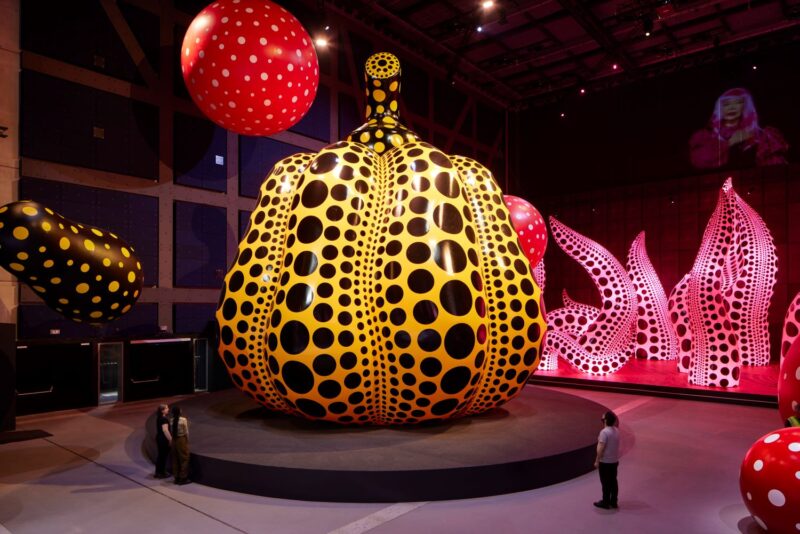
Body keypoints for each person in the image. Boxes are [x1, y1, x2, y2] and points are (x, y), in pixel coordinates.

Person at [689, 87, 788, 170]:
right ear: (720, 108)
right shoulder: (706, 136)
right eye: (726, 104)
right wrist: (730, 142)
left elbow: (776, 169)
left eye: (737, 103)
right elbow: (698, 161)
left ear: (745, 106)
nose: (732, 108)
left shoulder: (762, 135)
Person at [594, 410, 620, 510]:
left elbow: (601, 448)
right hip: (614, 461)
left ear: (605, 421)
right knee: (613, 481)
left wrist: (597, 461)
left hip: (605, 462)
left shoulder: (604, 433)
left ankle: (605, 502)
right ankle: (613, 501)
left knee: (605, 482)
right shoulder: (616, 430)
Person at [171, 406, 191, 485]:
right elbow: (186, 432)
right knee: (184, 458)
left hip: (174, 440)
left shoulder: (171, 420)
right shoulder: (183, 420)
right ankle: (183, 477)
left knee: (175, 458)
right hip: (181, 439)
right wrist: (187, 441)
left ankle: (176, 477)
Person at [154, 404, 172, 478]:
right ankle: (162, 472)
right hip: (163, 439)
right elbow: (165, 430)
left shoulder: (159, 417)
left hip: (159, 438)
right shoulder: (164, 419)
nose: (168, 409)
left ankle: (158, 472)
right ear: (162, 410)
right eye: (166, 408)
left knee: (160, 456)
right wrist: (170, 439)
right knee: (163, 456)